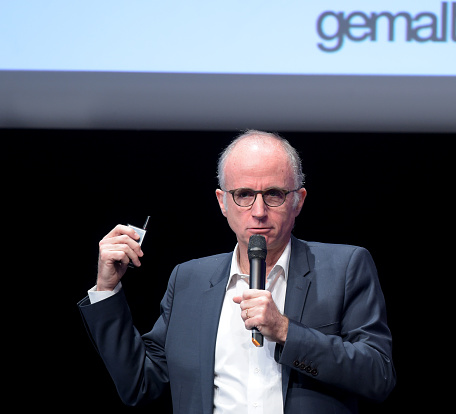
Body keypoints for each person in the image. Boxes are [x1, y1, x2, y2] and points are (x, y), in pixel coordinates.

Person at [78, 130, 396, 414]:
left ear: (298, 201)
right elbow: (140, 384)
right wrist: (106, 288)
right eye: (244, 195)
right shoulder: (189, 281)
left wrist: (286, 331)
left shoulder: (345, 267)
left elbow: (378, 376)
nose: (259, 212)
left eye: (274, 194)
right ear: (222, 202)